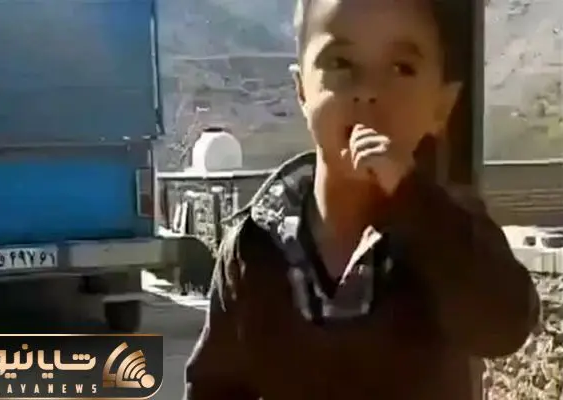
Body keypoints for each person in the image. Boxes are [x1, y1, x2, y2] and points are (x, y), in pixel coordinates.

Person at [183, 0, 540, 399]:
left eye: (401, 68)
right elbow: (214, 386)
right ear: (301, 91)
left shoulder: (450, 231)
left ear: (441, 106)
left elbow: (503, 327)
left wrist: (412, 198)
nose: (368, 91)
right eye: (341, 63)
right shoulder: (254, 245)